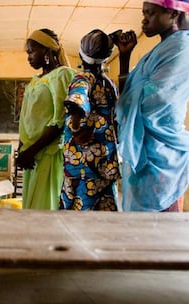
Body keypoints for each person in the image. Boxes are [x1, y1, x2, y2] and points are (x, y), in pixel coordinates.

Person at [114, 0, 189, 212]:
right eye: (144, 13)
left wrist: (124, 102)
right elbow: (129, 94)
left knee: (160, 230)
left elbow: (158, 100)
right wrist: (124, 57)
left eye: (150, 13)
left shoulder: (183, 47)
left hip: (163, 153)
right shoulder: (161, 49)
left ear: (173, 13)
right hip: (146, 147)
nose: (144, 19)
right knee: (139, 230)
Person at [60, 29, 120, 211]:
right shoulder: (109, 84)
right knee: (104, 220)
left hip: (84, 167)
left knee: (78, 220)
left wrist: (77, 127)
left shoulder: (82, 78)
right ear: (107, 57)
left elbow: (77, 98)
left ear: (80, 54)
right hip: (106, 163)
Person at [17, 28, 75, 210]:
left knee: (44, 207)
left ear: (47, 51)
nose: (29, 57)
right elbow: (26, 118)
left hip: (47, 152)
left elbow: (60, 120)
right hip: (31, 154)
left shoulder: (62, 74)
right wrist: (22, 149)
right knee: (31, 205)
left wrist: (31, 151)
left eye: (32, 51)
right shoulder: (36, 79)